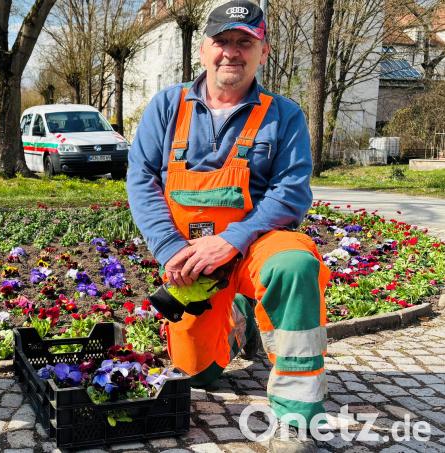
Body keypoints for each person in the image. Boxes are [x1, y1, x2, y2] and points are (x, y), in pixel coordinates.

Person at [126, 2, 330, 452]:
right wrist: (169, 249)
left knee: (296, 265)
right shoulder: (166, 105)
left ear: (263, 52)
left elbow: (291, 192)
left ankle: (297, 413)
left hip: (257, 244)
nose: (231, 53)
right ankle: (235, 322)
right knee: (201, 374)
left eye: (244, 43)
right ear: (204, 50)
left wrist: (232, 239)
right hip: (189, 259)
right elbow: (141, 180)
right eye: (222, 42)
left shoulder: (285, 115)